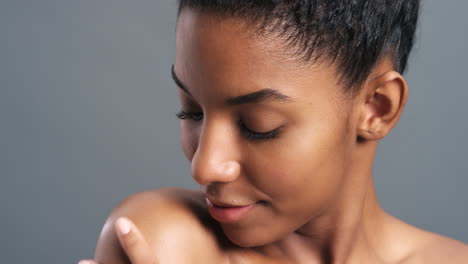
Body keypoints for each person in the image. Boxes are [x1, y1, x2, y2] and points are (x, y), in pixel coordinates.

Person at [79, 1, 468, 263]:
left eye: (257, 126)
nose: (205, 167)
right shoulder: (163, 243)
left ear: (376, 106)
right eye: (192, 112)